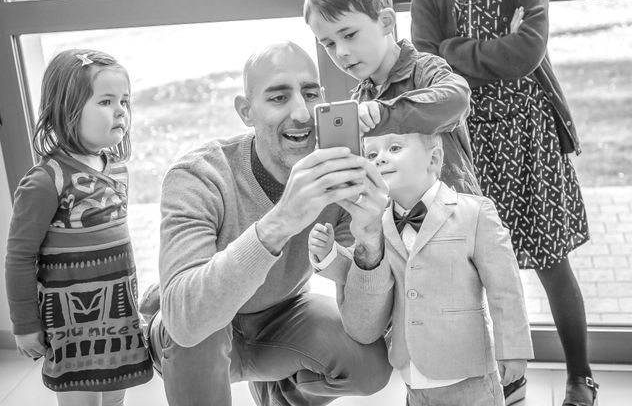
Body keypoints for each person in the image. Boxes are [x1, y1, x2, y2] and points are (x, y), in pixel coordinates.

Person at [140, 41, 392, 406]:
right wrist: (280, 221)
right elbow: (184, 321)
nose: (303, 114)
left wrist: (370, 244)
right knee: (201, 328)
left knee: (369, 366)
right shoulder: (198, 176)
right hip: (194, 332)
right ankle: (152, 302)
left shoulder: (336, 177)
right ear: (246, 111)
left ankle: (280, 395)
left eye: (309, 94)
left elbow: (365, 326)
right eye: (278, 98)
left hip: (279, 317)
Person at [409, 0, 596, 405]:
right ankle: (506, 379)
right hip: (468, 145)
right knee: (481, 265)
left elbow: (526, 54)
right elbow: (429, 63)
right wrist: (492, 51)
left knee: (552, 260)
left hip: (528, 140)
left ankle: (580, 376)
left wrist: (457, 51)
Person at [310, 131, 535, 406]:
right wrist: (329, 256)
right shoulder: (379, 224)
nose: (380, 159)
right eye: (371, 154)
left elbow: (505, 287)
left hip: (467, 372)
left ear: (434, 159)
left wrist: (512, 349)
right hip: (411, 372)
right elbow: (365, 273)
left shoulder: (474, 213)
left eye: (394, 148)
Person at [5, 49, 153, 406]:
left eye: (124, 101)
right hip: (71, 328)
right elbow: (19, 257)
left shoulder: (117, 169)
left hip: (117, 318)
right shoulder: (46, 181)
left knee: (116, 394)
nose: (121, 111)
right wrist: (25, 325)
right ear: (66, 111)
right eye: (105, 101)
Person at [303, 0, 481, 195]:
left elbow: (457, 99)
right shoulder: (357, 103)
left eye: (349, 34)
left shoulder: (425, 70)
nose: (341, 52)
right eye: (329, 44)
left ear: (386, 22)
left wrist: (384, 113)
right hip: (395, 227)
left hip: (457, 221)